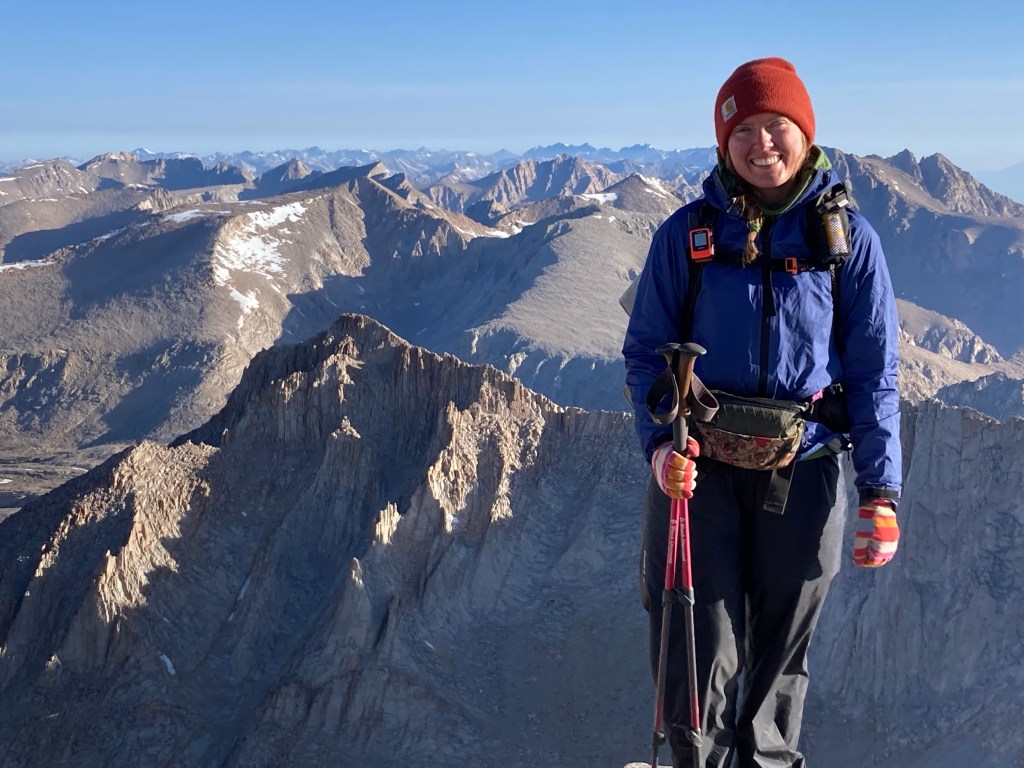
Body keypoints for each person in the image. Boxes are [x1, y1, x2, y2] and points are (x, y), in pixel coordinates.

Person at [622, 57, 902, 768]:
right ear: (724, 145)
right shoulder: (686, 235)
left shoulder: (848, 243)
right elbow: (647, 353)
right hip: (699, 472)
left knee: (780, 662)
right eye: (742, 130)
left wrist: (881, 491)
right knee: (696, 650)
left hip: (804, 469)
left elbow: (874, 373)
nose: (761, 144)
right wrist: (660, 446)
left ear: (806, 132)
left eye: (777, 125)